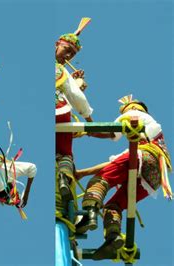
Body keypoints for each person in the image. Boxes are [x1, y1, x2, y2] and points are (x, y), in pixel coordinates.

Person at [76, 95, 172, 259]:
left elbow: (110, 131)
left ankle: (90, 215)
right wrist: (82, 173)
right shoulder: (145, 138)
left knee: (98, 182)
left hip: (144, 157)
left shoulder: (134, 115)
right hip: (153, 178)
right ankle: (113, 238)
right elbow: (115, 165)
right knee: (113, 206)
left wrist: (86, 130)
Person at [55, 18, 94, 198]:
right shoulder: (58, 70)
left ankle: (62, 176)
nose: (69, 57)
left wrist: (75, 81)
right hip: (58, 110)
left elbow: (69, 88)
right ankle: (64, 176)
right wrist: (89, 121)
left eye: (72, 55)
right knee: (65, 153)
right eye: (67, 50)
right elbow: (76, 97)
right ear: (57, 44)